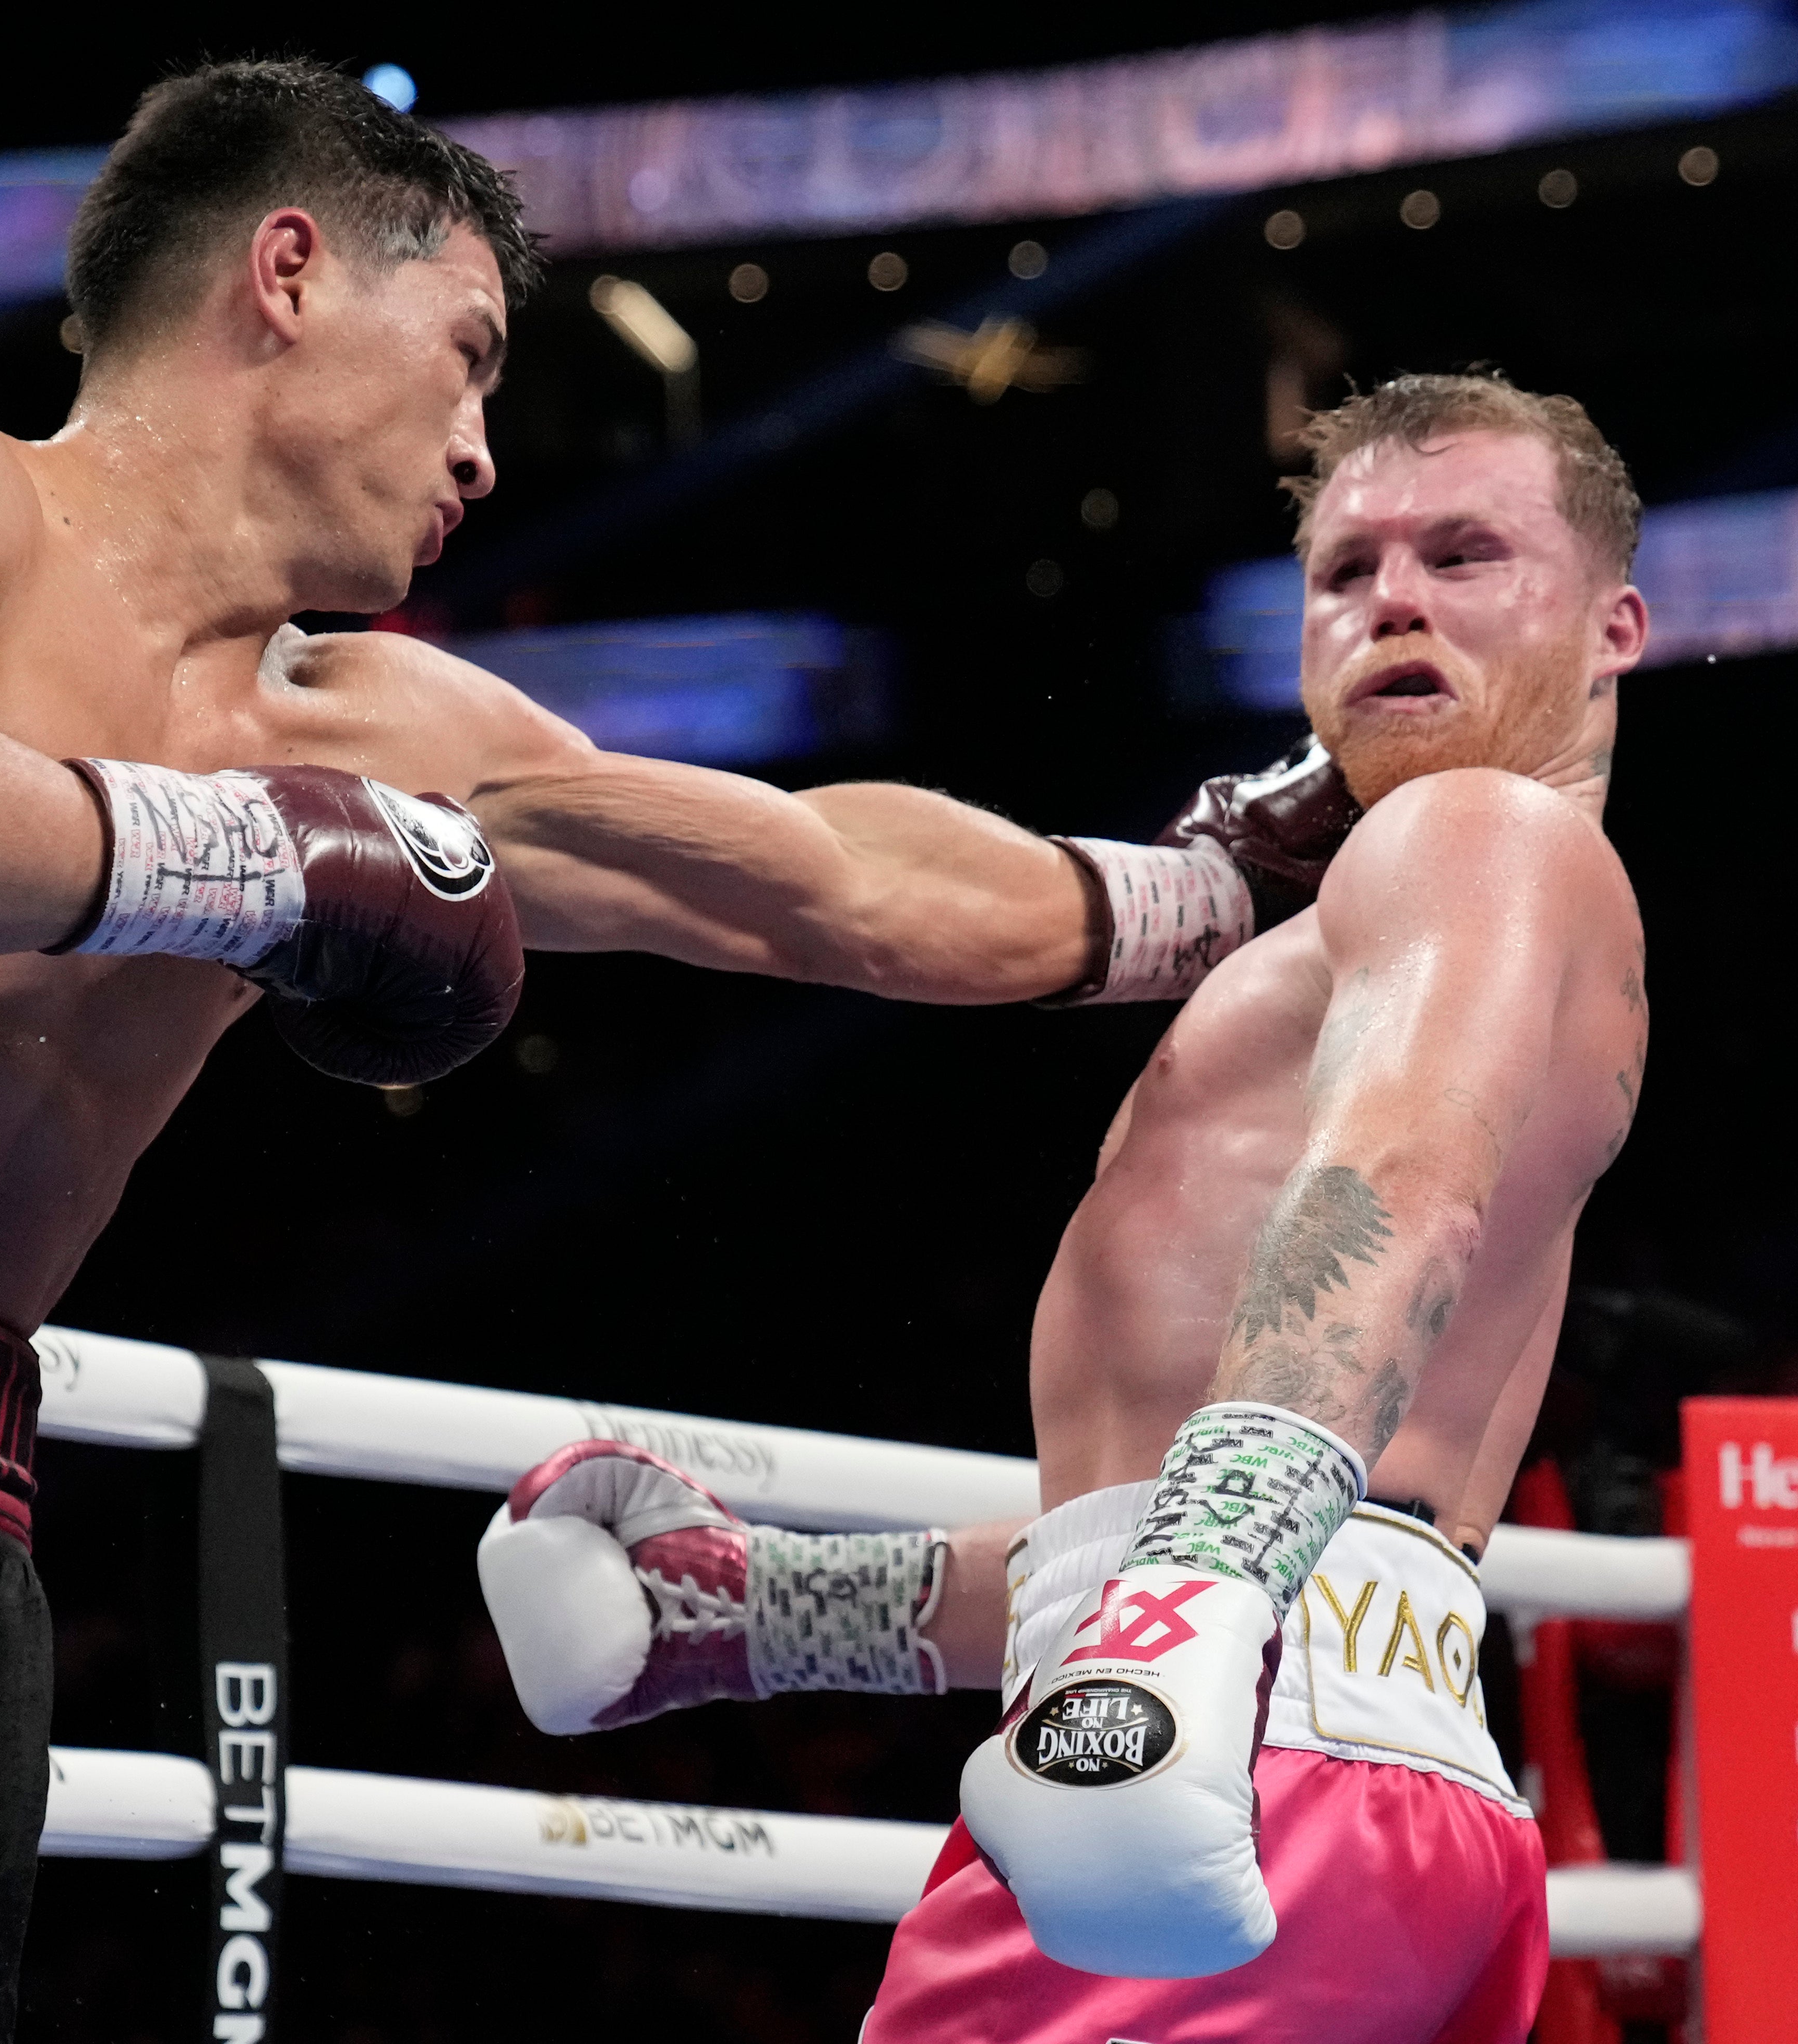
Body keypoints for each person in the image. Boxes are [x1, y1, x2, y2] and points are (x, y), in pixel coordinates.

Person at [0, 57, 1340, 2044]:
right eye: (462, 351)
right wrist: (268, 856)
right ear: (284, 272)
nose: (483, 443)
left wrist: (1212, 883)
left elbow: (822, 882)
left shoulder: (378, 730)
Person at [482, 370, 1652, 2042]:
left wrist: (1191, 1613)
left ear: (1611, 625)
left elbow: (1397, 1188)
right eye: (1345, 569)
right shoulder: (1456, 920)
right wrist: (757, 1611)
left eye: (1463, 555)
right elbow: (1288, 1527)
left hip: (1235, 1756)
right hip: (1347, 1780)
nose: (1392, 595)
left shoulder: (1482, 837)